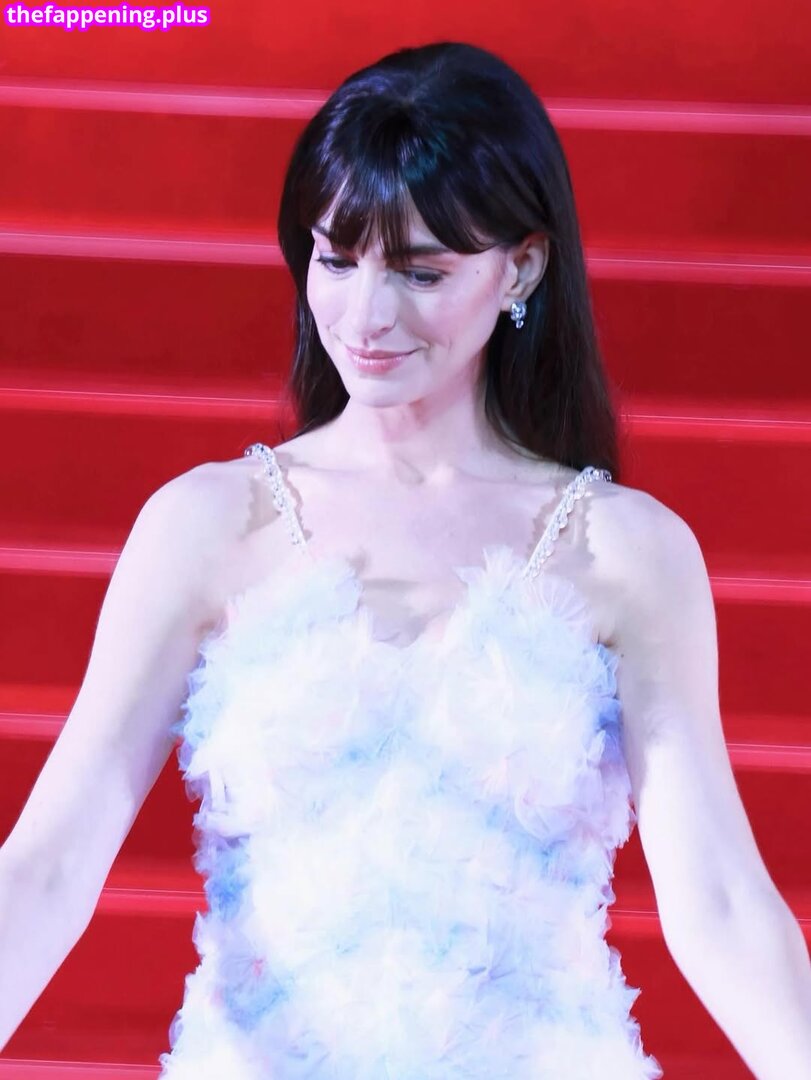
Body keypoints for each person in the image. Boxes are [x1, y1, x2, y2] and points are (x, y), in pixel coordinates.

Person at [2, 39, 810, 1080]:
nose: (366, 316)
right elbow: (51, 865)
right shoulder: (206, 526)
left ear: (521, 266)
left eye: (421, 273)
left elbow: (720, 902)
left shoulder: (627, 551)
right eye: (336, 260)